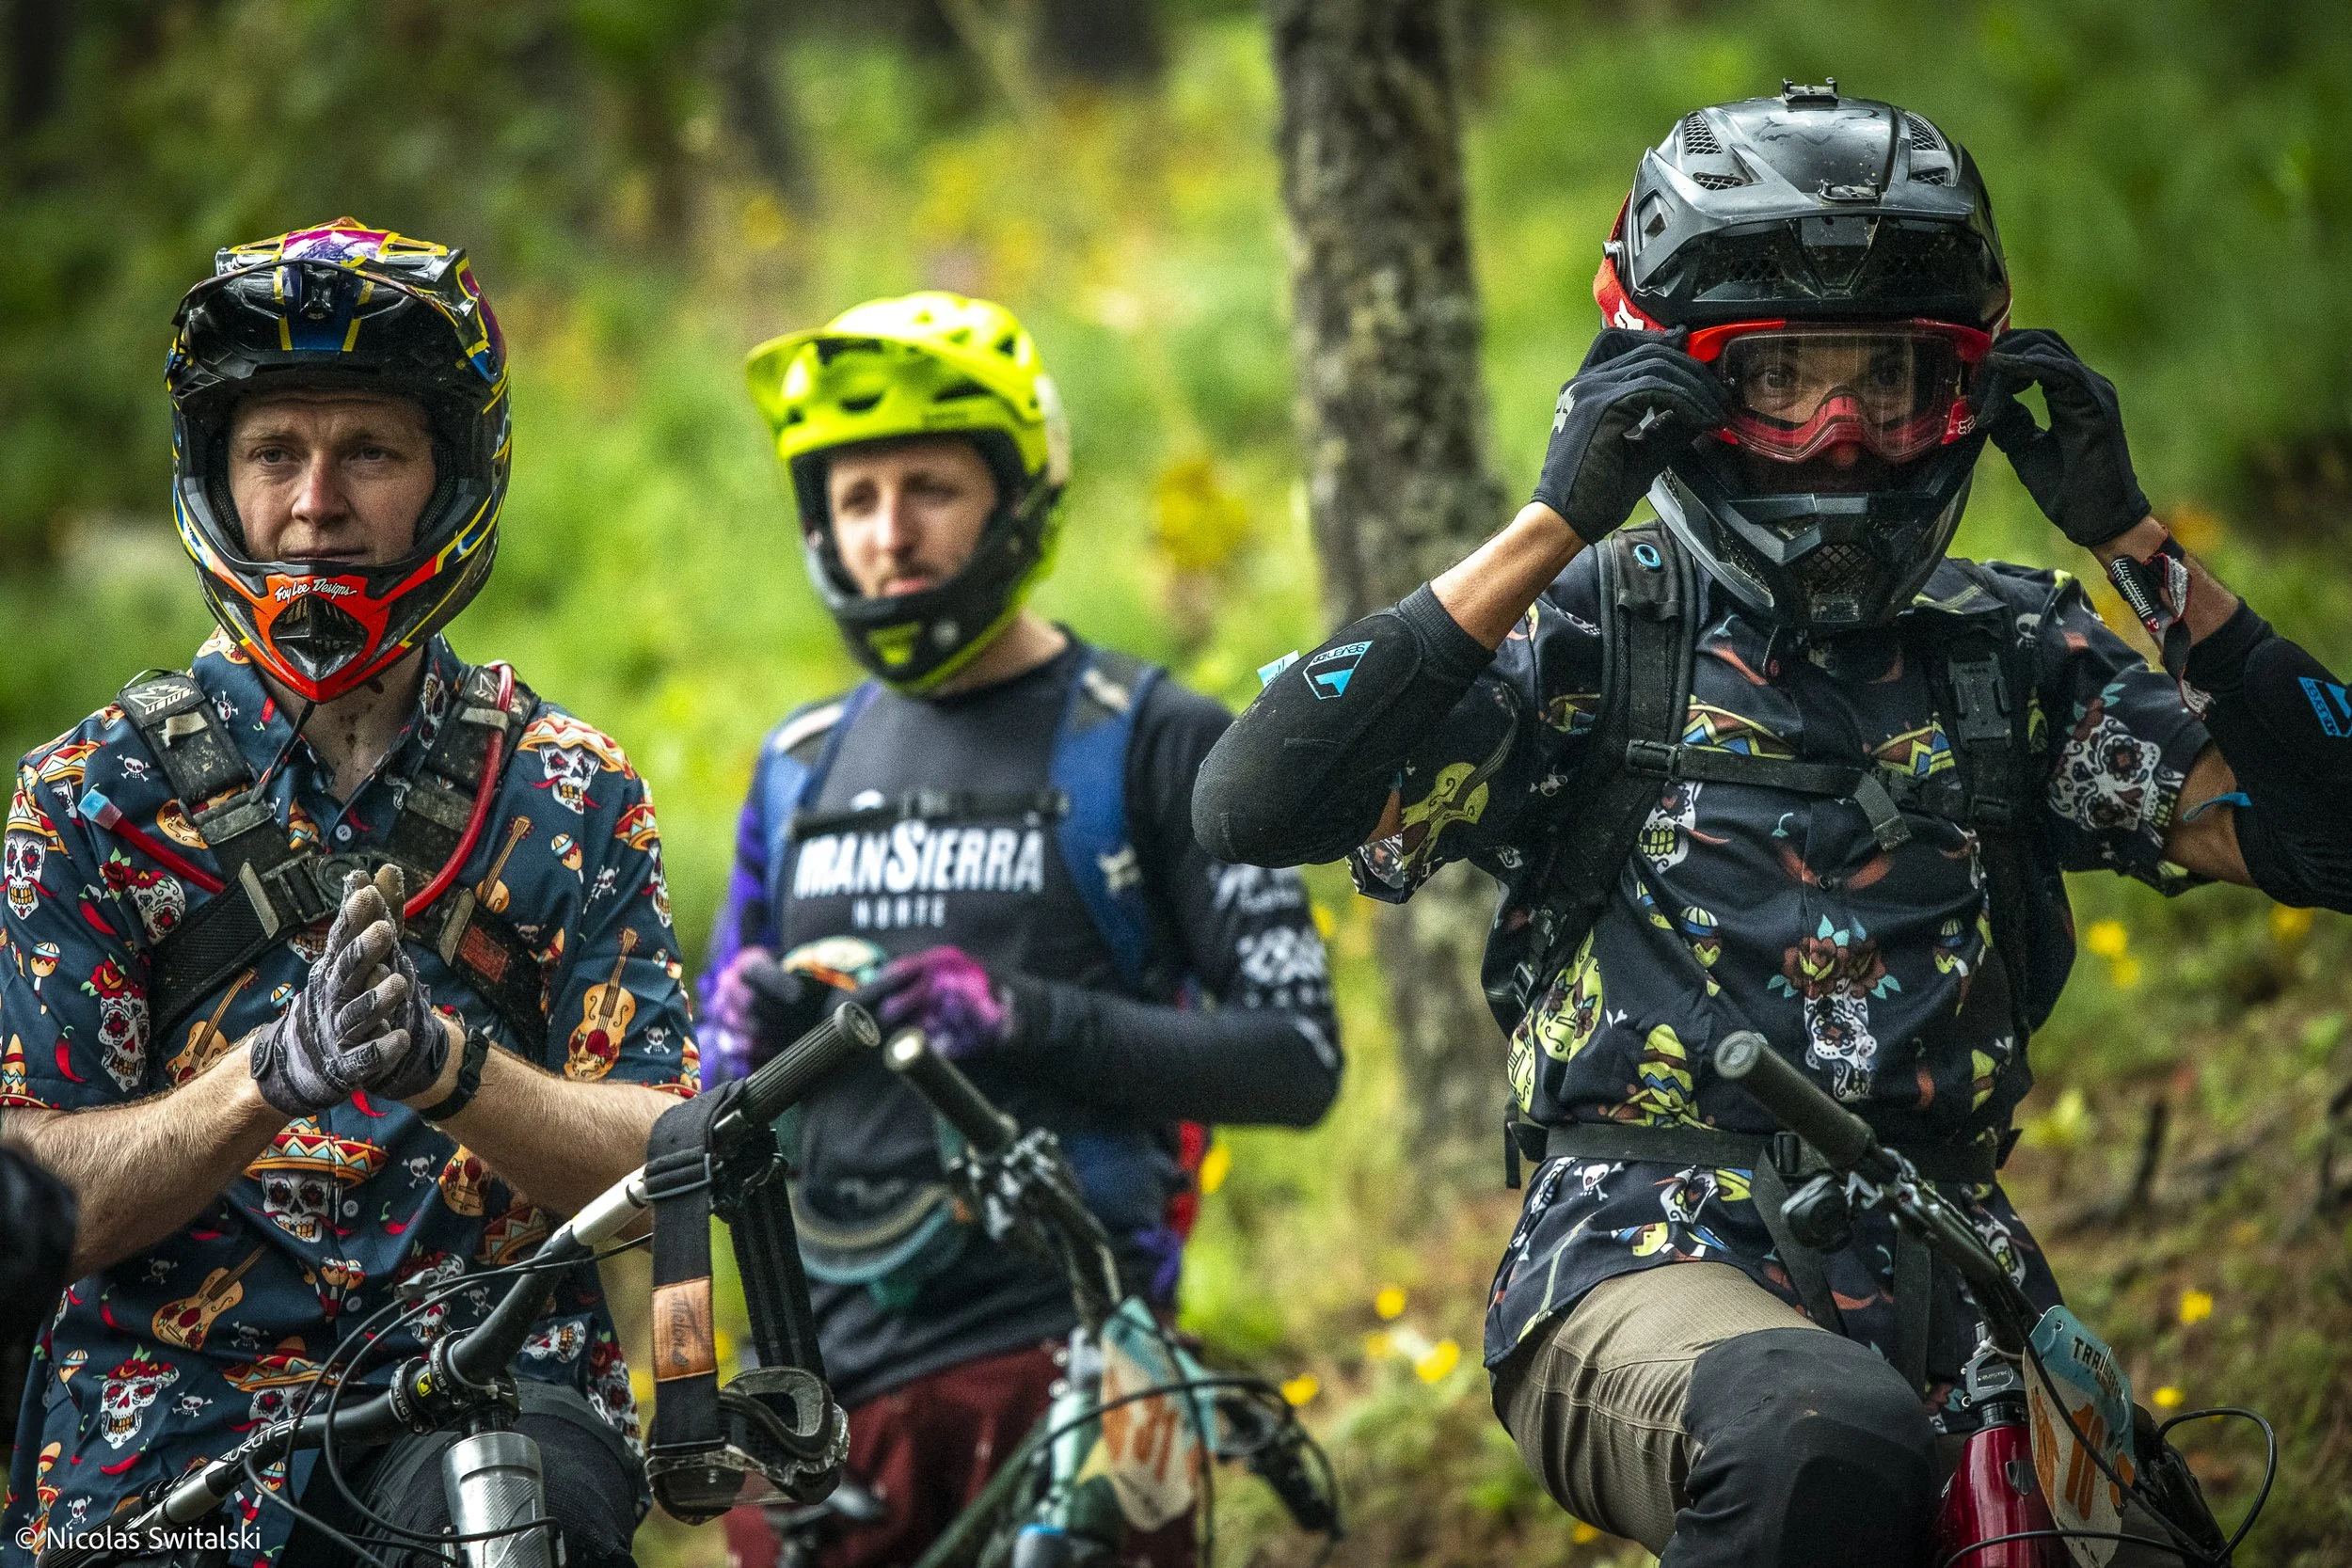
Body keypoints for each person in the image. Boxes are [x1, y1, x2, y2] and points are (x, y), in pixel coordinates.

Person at [1195, 84, 2352, 1567]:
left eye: (1891, 379)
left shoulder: (2015, 655)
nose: (1842, 435)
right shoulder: (1583, 646)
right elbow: (1252, 798)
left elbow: (2329, 840)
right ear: (1675, 395)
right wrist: (1555, 522)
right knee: (1822, 1437)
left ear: (1968, 395)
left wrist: (2133, 541)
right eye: (1781, 379)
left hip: (1967, 1287)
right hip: (1634, 1257)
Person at [0, 220, 697, 1568]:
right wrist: (271, 1074)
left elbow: (663, 1158)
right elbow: (34, 1194)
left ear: (451, 478)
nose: (315, 501)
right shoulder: (87, 795)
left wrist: (450, 1070)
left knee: (517, 1518)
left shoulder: (571, 789)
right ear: (219, 476)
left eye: (367, 450)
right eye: (275, 452)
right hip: (164, 1431)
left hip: (484, 1396)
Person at [707, 292, 1343, 1568]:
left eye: (930, 485)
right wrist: (736, 1048)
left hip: (1076, 1389)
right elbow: (708, 1104)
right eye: (855, 495)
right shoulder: (797, 767)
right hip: (827, 1409)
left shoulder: (1158, 737)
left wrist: (1022, 1016)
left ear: (1014, 496)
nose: (892, 532)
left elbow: (1298, 1062)